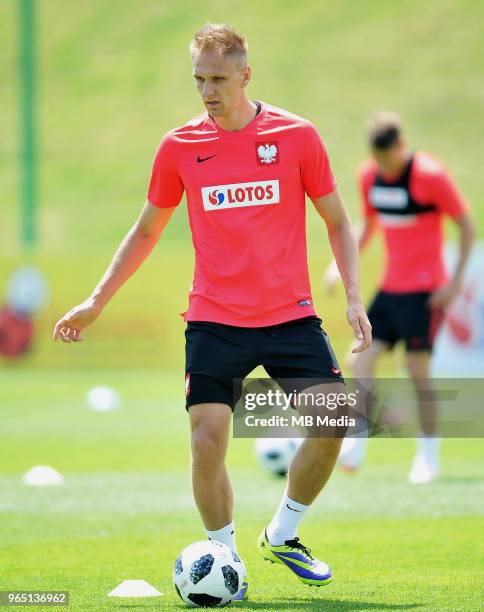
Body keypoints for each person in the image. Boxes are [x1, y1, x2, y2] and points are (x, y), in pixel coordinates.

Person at [53, 23, 371, 596]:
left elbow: (339, 222)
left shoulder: (296, 137)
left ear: (245, 76)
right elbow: (146, 230)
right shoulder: (179, 147)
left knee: (333, 421)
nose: (207, 91)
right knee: (207, 441)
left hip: (290, 315)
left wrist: (352, 295)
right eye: (199, 79)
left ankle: (282, 534)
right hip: (214, 319)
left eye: (219, 79)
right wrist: (96, 300)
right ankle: (225, 560)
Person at [326, 111, 475, 483]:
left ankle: (427, 456)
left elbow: (467, 225)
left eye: (388, 158)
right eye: (378, 160)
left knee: (416, 370)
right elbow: (369, 223)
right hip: (392, 288)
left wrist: (454, 284)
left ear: (401, 147)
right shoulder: (369, 176)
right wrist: (337, 265)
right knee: (360, 359)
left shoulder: (430, 176)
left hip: (426, 291)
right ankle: (359, 440)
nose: (384, 166)